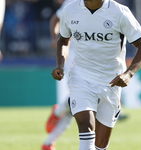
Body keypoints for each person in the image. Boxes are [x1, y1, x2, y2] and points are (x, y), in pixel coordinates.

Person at [52, 0, 141, 150]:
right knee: (86, 125)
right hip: (81, 77)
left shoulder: (120, 12)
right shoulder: (70, 10)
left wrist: (129, 74)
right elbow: (64, 40)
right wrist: (60, 64)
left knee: (100, 145)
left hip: (111, 82)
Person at [41, 0, 75, 150]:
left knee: (76, 106)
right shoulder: (73, 2)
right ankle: (58, 111)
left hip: (95, 58)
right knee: (78, 98)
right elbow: (55, 18)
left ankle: (48, 143)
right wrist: (55, 38)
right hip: (74, 54)